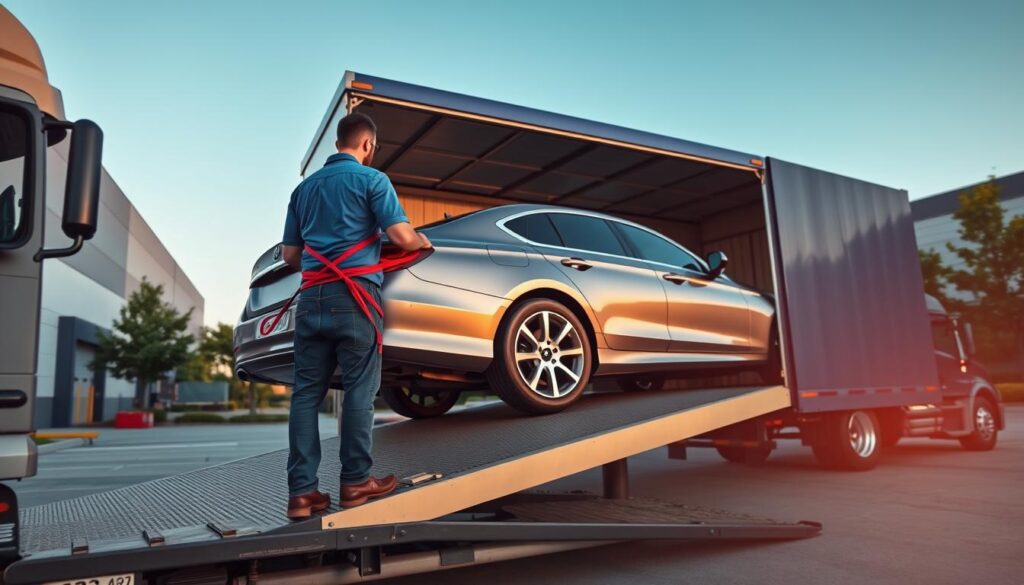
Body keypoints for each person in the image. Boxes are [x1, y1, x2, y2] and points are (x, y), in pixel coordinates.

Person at [280, 112, 431, 519]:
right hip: (356, 298)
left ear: (337, 144)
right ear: (368, 146)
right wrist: (421, 240)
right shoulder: (372, 180)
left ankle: (302, 494)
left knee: (305, 395)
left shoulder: (303, 190)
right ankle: (355, 482)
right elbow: (400, 237)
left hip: (311, 299)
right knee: (359, 393)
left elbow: (291, 255)